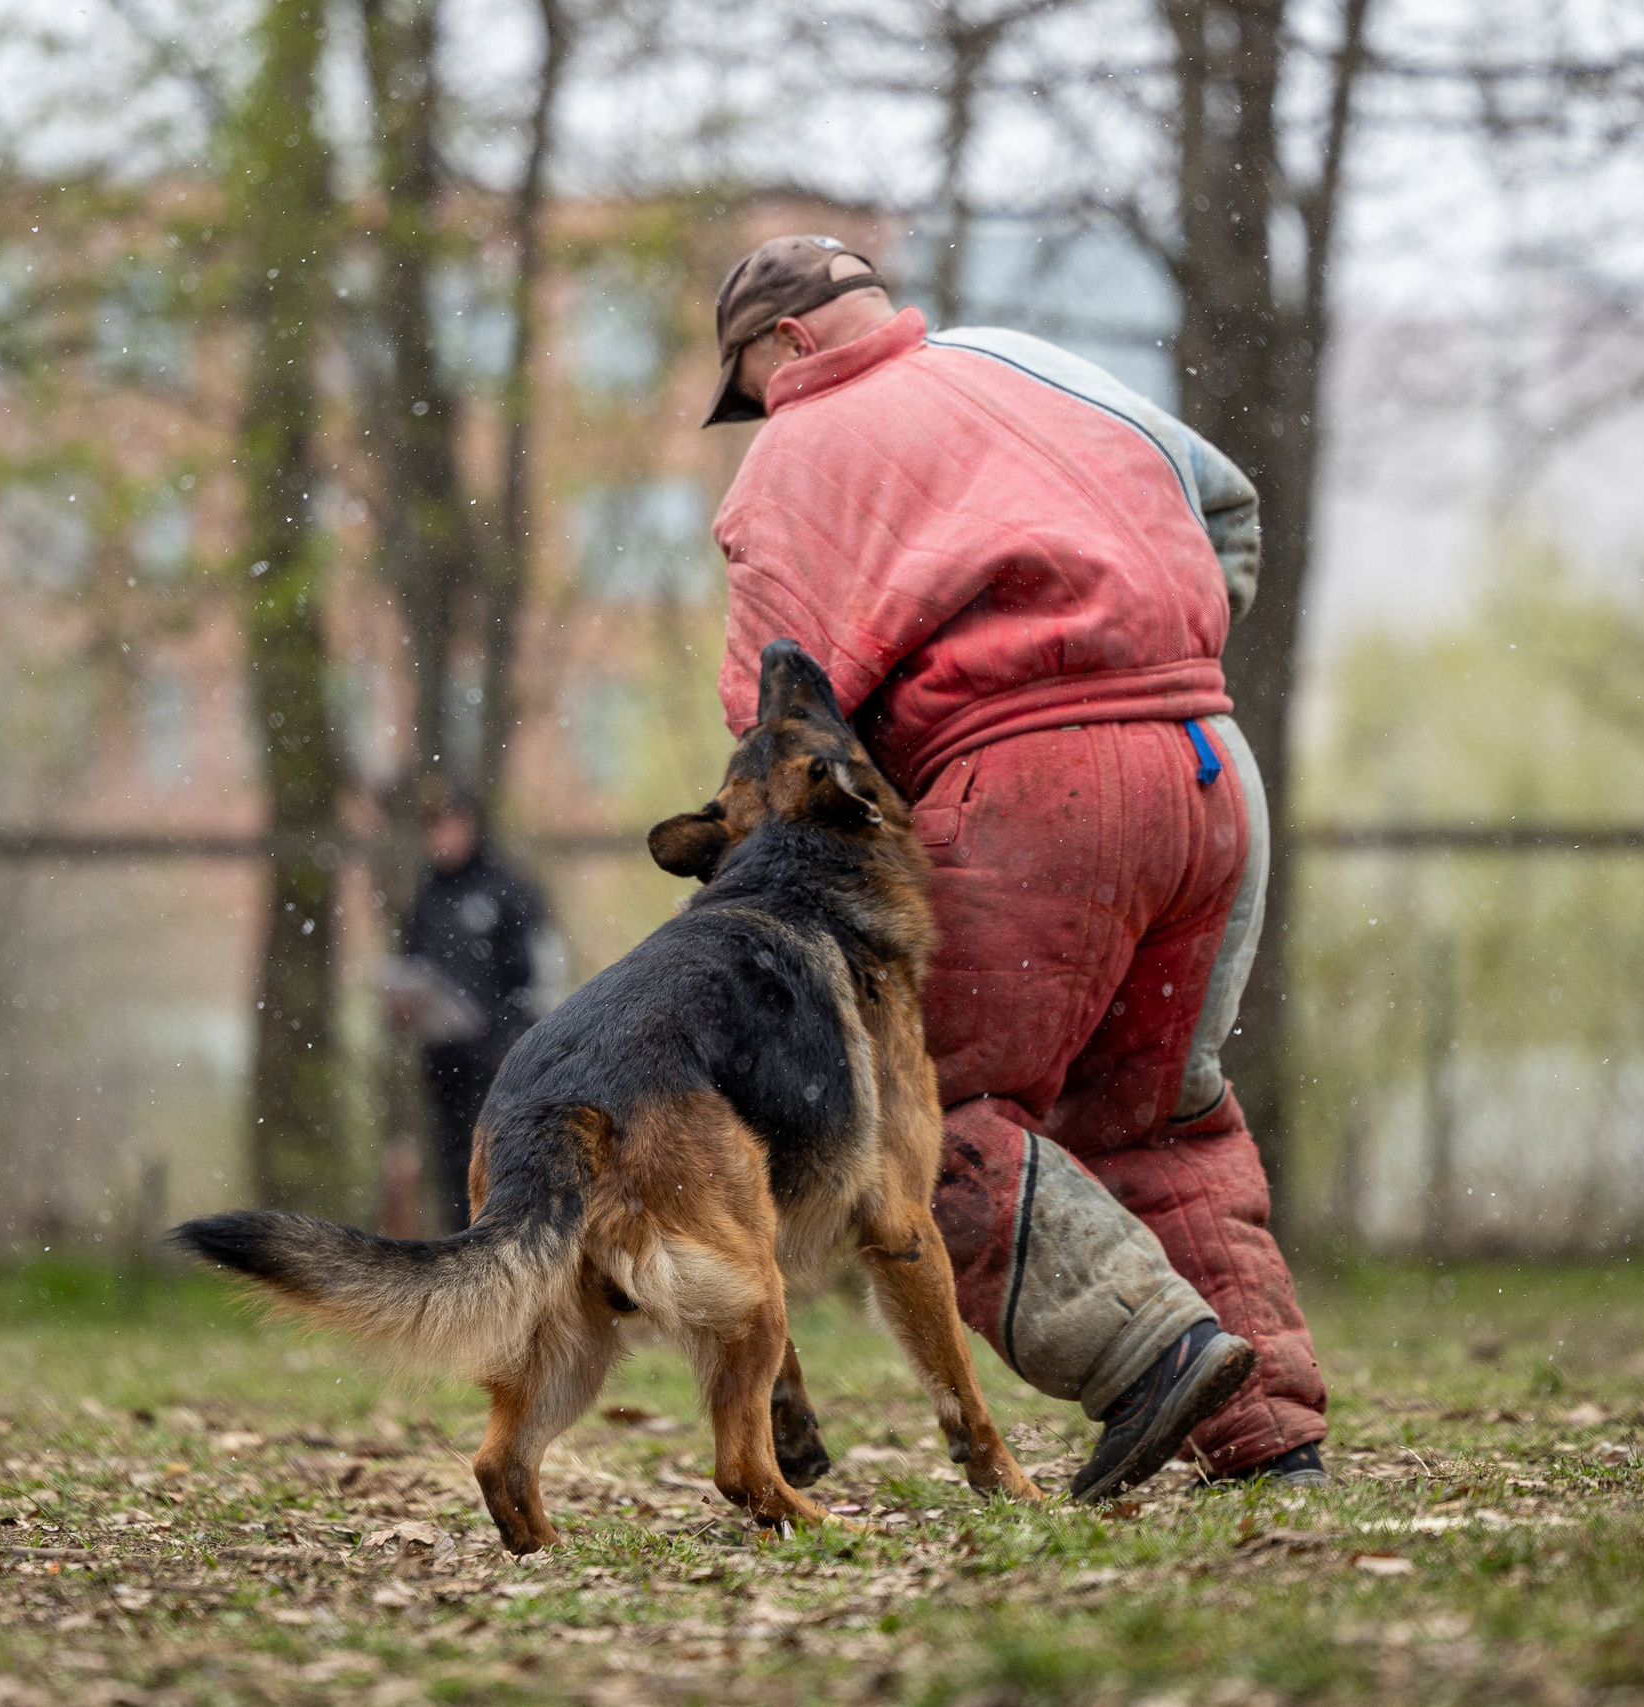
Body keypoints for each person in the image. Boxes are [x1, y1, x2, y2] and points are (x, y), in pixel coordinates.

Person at [699, 235, 1327, 1499]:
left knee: (922, 1113)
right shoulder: (1026, 361)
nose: (757, 410)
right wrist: (1151, 657)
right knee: (1162, 1114)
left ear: (789, 345)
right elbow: (1229, 505)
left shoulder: (790, 461)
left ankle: (1153, 1352)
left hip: (1031, 786)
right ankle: (1268, 1436)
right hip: (1211, 764)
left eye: (751, 381)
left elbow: (779, 725)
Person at [389, 788, 552, 1233]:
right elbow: (411, 966)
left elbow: (538, 980)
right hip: (443, 1059)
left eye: (446, 824)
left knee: (499, 1166)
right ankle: (454, 1251)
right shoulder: (426, 897)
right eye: (430, 828)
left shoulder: (509, 889)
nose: (438, 837)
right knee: (451, 1166)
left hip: (501, 1064)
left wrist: (501, 1038)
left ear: (469, 824)